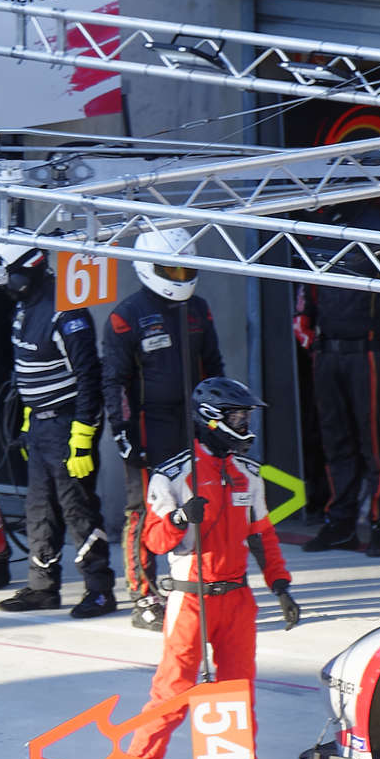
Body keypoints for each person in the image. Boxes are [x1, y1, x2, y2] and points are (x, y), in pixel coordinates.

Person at [124, 377, 295, 759]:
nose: (246, 422)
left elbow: (262, 535)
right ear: (212, 420)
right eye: (239, 415)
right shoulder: (172, 475)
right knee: (174, 692)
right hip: (190, 598)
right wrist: (182, 518)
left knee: (235, 696)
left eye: (247, 415)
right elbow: (155, 543)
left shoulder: (248, 474)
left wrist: (280, 585)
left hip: (237, 599)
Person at [102, 227, 228, 630]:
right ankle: (142, 596)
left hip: (193, 424)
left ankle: (197, 583)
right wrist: (122, 431)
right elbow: (115, 381)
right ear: (147, 267)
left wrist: (219, 419)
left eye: (184, 269)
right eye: (169, 270)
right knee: (144, 510)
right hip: (147, 426)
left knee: (202, 501)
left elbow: (214, 368)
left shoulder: (200, 309)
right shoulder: (126, 316)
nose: (179, 278)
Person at [0, 243, 115, 618]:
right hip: (40, 424)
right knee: (38, 509)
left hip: (67, 426)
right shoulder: (22, 308)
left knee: (78, 509)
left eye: (6, 274)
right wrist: (30, 419)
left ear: (25, 270)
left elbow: (90, 378)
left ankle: (99, 589)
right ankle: (42, 587)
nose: (2, 283)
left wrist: (82, 438)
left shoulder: (67, 312)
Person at [297, 209, 380, 557]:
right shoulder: (318, 232)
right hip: (327, 352)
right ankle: (339, 524)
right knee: (335, 442)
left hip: (367, 351)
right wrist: (302, 319)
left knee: (375, 442)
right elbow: (308, 285)